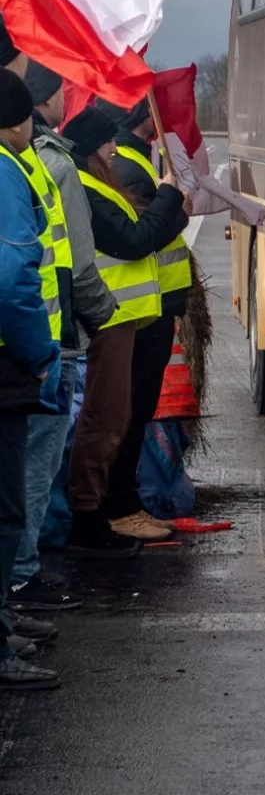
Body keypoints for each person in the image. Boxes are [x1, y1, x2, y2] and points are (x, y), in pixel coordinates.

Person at [9, 63, 111, 604]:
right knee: (36, 462)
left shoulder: (31, 161)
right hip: (47, 341)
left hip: (40, 336)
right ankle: (23, 574)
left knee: (30, 463)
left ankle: (23, 569)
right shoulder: (48, 165)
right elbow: (69, 259)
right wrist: (96, 320)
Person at [63, 107, 184, 553]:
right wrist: (169, 195)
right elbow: (134, 239)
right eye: (106, 142)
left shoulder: (99, 183)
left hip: (123, 318)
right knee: (105, 421)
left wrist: (168, 205)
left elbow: (145, 230)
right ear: (91, 149)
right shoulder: (88, 188)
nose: (114, 147)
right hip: (108, 319)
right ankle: (91, 518)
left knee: (114, 418)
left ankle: (100, 512)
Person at [0, 71, 63, 688]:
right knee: (6, 509)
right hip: (10, 363)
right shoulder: (6, 171)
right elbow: (12, 277)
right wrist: (40, 353)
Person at [109, 107, 195, 543]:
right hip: (140, 312)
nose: (109, 148)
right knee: (127, 415)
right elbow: (144, 235)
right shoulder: (128, 166)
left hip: (153, 307)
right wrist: (171, 200)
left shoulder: (136, 157)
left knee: (132, 413)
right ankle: (119, 508)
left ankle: (124, 505)